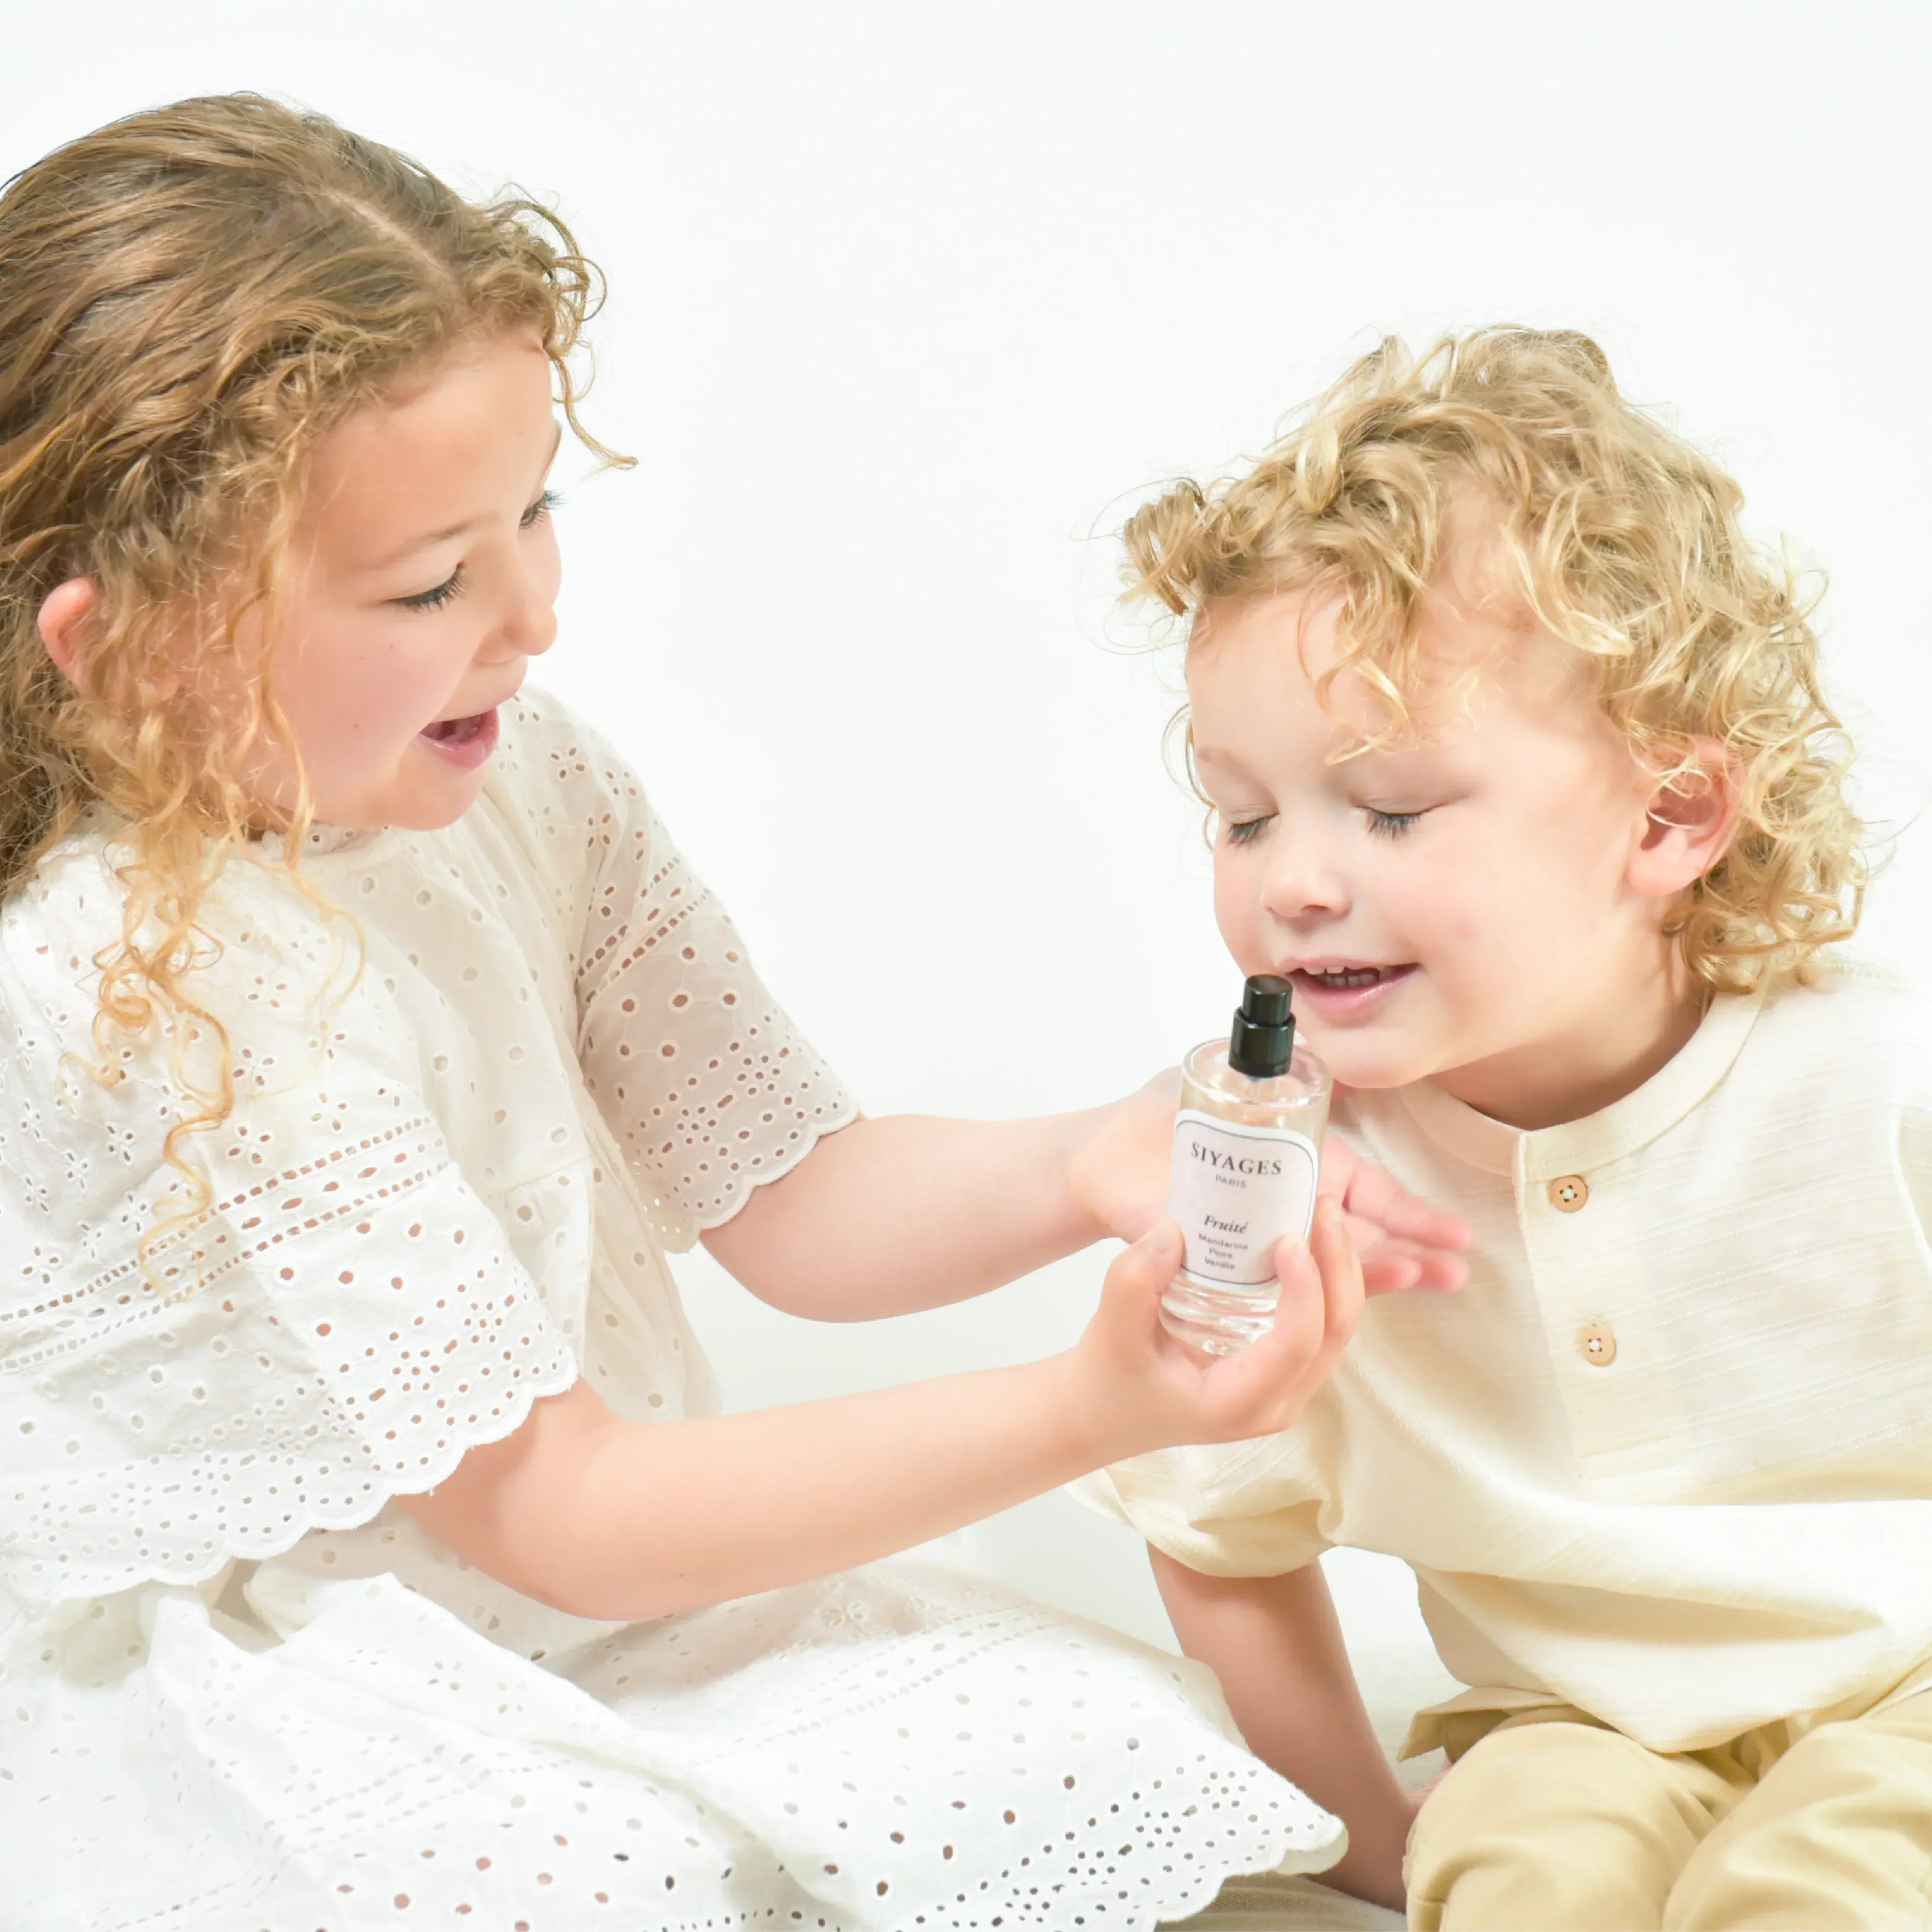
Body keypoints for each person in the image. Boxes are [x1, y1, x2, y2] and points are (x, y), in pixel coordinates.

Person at [0, 96, 1472, 1932]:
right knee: (610, 1877)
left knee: (1087, 1738)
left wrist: (1101, 1151)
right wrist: (1097, 1400)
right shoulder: (150, 979)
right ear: (136, 646)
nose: (531, 609)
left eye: (530, 509)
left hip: (622, 1586)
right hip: (295, 1664)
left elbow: (798, 1197)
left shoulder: (527, 781)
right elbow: (563, 1510)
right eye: (432, 580)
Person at [1077, 327, 1932, 1929]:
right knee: (1526, 1867)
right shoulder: (1294, 1174)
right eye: (1245, 814)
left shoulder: (1881, 1085)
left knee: (1824, 1881)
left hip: (1914, 1690)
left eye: (1391, 806)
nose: (1295, 880)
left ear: (1669, 815)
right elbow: (1217, 1533)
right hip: (1568, 1718)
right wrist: (1366, 1835)